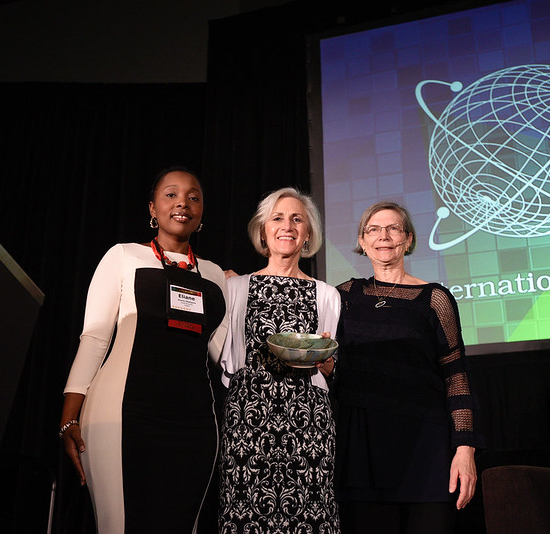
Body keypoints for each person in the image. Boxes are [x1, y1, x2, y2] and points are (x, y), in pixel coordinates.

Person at [59, 167, 228, 533]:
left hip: (195, 425)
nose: (183, 203)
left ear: (202, 212)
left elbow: (224, 354)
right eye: (171, 194)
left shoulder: (215, 275)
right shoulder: (123, 257)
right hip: (122, 415)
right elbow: (95, 338)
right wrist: (69, 418)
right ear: (153, 208)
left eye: (194, 197)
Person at [333, 201, 480, 534]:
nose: (383, 236)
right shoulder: (343, 296)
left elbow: (456, 377)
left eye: (393, 228)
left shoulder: (435, 299)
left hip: (426, 450)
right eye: (373, 229)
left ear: (408, 239)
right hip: (363, 452)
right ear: (362, 241)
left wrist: (465, 448)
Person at [218, 187, 341, 533]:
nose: (287, 226)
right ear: (263, 230)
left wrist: (326, 362)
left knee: (310, 519)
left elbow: (329, 368)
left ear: (308, 233)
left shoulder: (327, 295)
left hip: (309, 425)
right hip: (248, 423)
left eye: (297, 219)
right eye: (278, 218)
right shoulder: (234, 288)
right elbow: (222, 357)